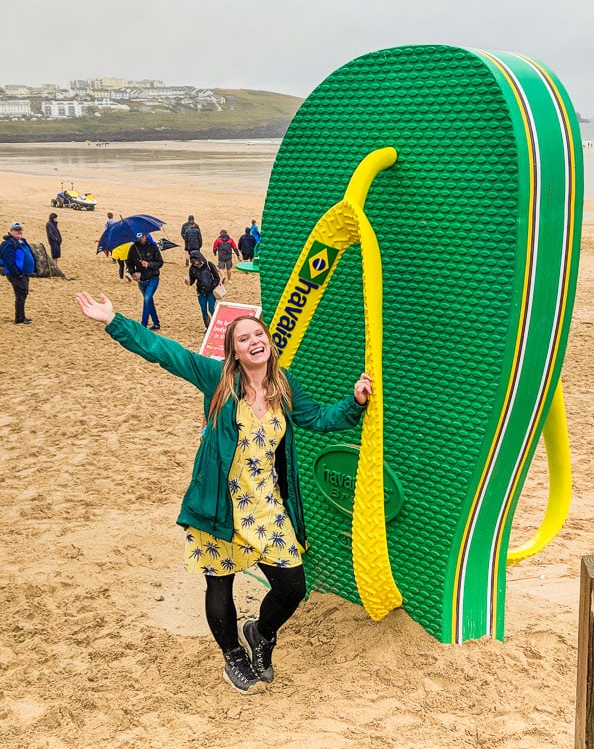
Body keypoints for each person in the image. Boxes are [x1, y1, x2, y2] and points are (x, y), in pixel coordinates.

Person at [74, 293, 372, 694]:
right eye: (243, 338)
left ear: (268, 340)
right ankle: (233, 655)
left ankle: (261, 634)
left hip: (266, 507)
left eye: (258, 333)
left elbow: (317, 418)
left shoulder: (283, 386)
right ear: (234, 352)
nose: (254, 340)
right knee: (221, 584)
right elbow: (166, 353)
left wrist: (354, 403)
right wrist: (114, 321)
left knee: (292, 586)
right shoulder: (218, 380)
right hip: (219, 505)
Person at [126, 231, 164, 329]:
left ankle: (143, 324)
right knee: (149, 301)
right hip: (141, 280)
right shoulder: (133, 248)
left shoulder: (153, 247)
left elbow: (160, 263)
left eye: (143, 235)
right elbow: (129, 263)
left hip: (153, 278)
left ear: (147, 235)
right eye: (140, 236)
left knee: (147, 298)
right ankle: (156, 323)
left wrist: (148, 264)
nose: (141, 237)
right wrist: (133, 272)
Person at [1, 222, 36, 324]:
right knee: (20, 294)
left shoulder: (22, 241)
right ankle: (19, 318)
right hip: (16, 274)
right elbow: (9, 261)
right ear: (11, 231)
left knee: (23, 294)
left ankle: (21, 316)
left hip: (24, 273)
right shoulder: (9, 243)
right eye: (16, 230)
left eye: (20, 229)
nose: (19, 231)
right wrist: (17, 273)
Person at [185, 249, 221, 328]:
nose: (195, 263)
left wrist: (212, 286)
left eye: (196, 261)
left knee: (211, 309)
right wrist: (188, 281)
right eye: (193, 262)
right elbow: (192, 280)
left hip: (211, 292)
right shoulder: (192, 268)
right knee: (204, 310)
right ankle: (208, 328)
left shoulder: (209, 264)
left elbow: (217, 278)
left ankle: (215, 326)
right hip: (201, 292)